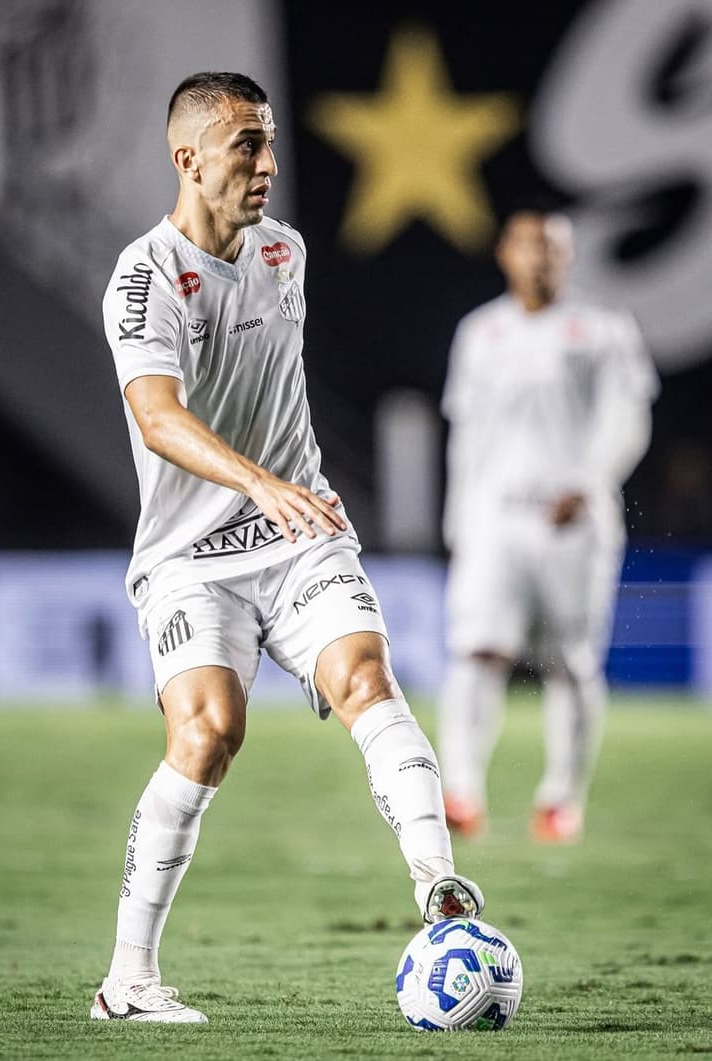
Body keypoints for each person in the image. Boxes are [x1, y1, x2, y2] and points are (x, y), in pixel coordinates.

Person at [89, 71, 483, 1025]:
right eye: (245, 147)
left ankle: (442, 889)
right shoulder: (143, 278)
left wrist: (285, 487)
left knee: (366, 677)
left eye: (268, 143)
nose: (267, 164)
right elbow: (156, 417)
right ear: (187, 158)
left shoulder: (284, 252)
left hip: (298, 532)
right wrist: (258, 478)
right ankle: (127, 980)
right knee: (209, 729)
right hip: (191, 552)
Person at [438, 208, 658, 843]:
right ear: (506, 253)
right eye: (528, 246)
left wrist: (588, 483)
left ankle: (561, 796)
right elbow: (467, 434)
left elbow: (627, 420)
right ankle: (462, 790)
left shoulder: (603, 330)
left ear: (569, 256)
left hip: (574, 521)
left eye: (552, 248)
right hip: (495, 516)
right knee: (477, 650)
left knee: (572, 660)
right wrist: (459, 521)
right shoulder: (480, 332)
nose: (540, 258)